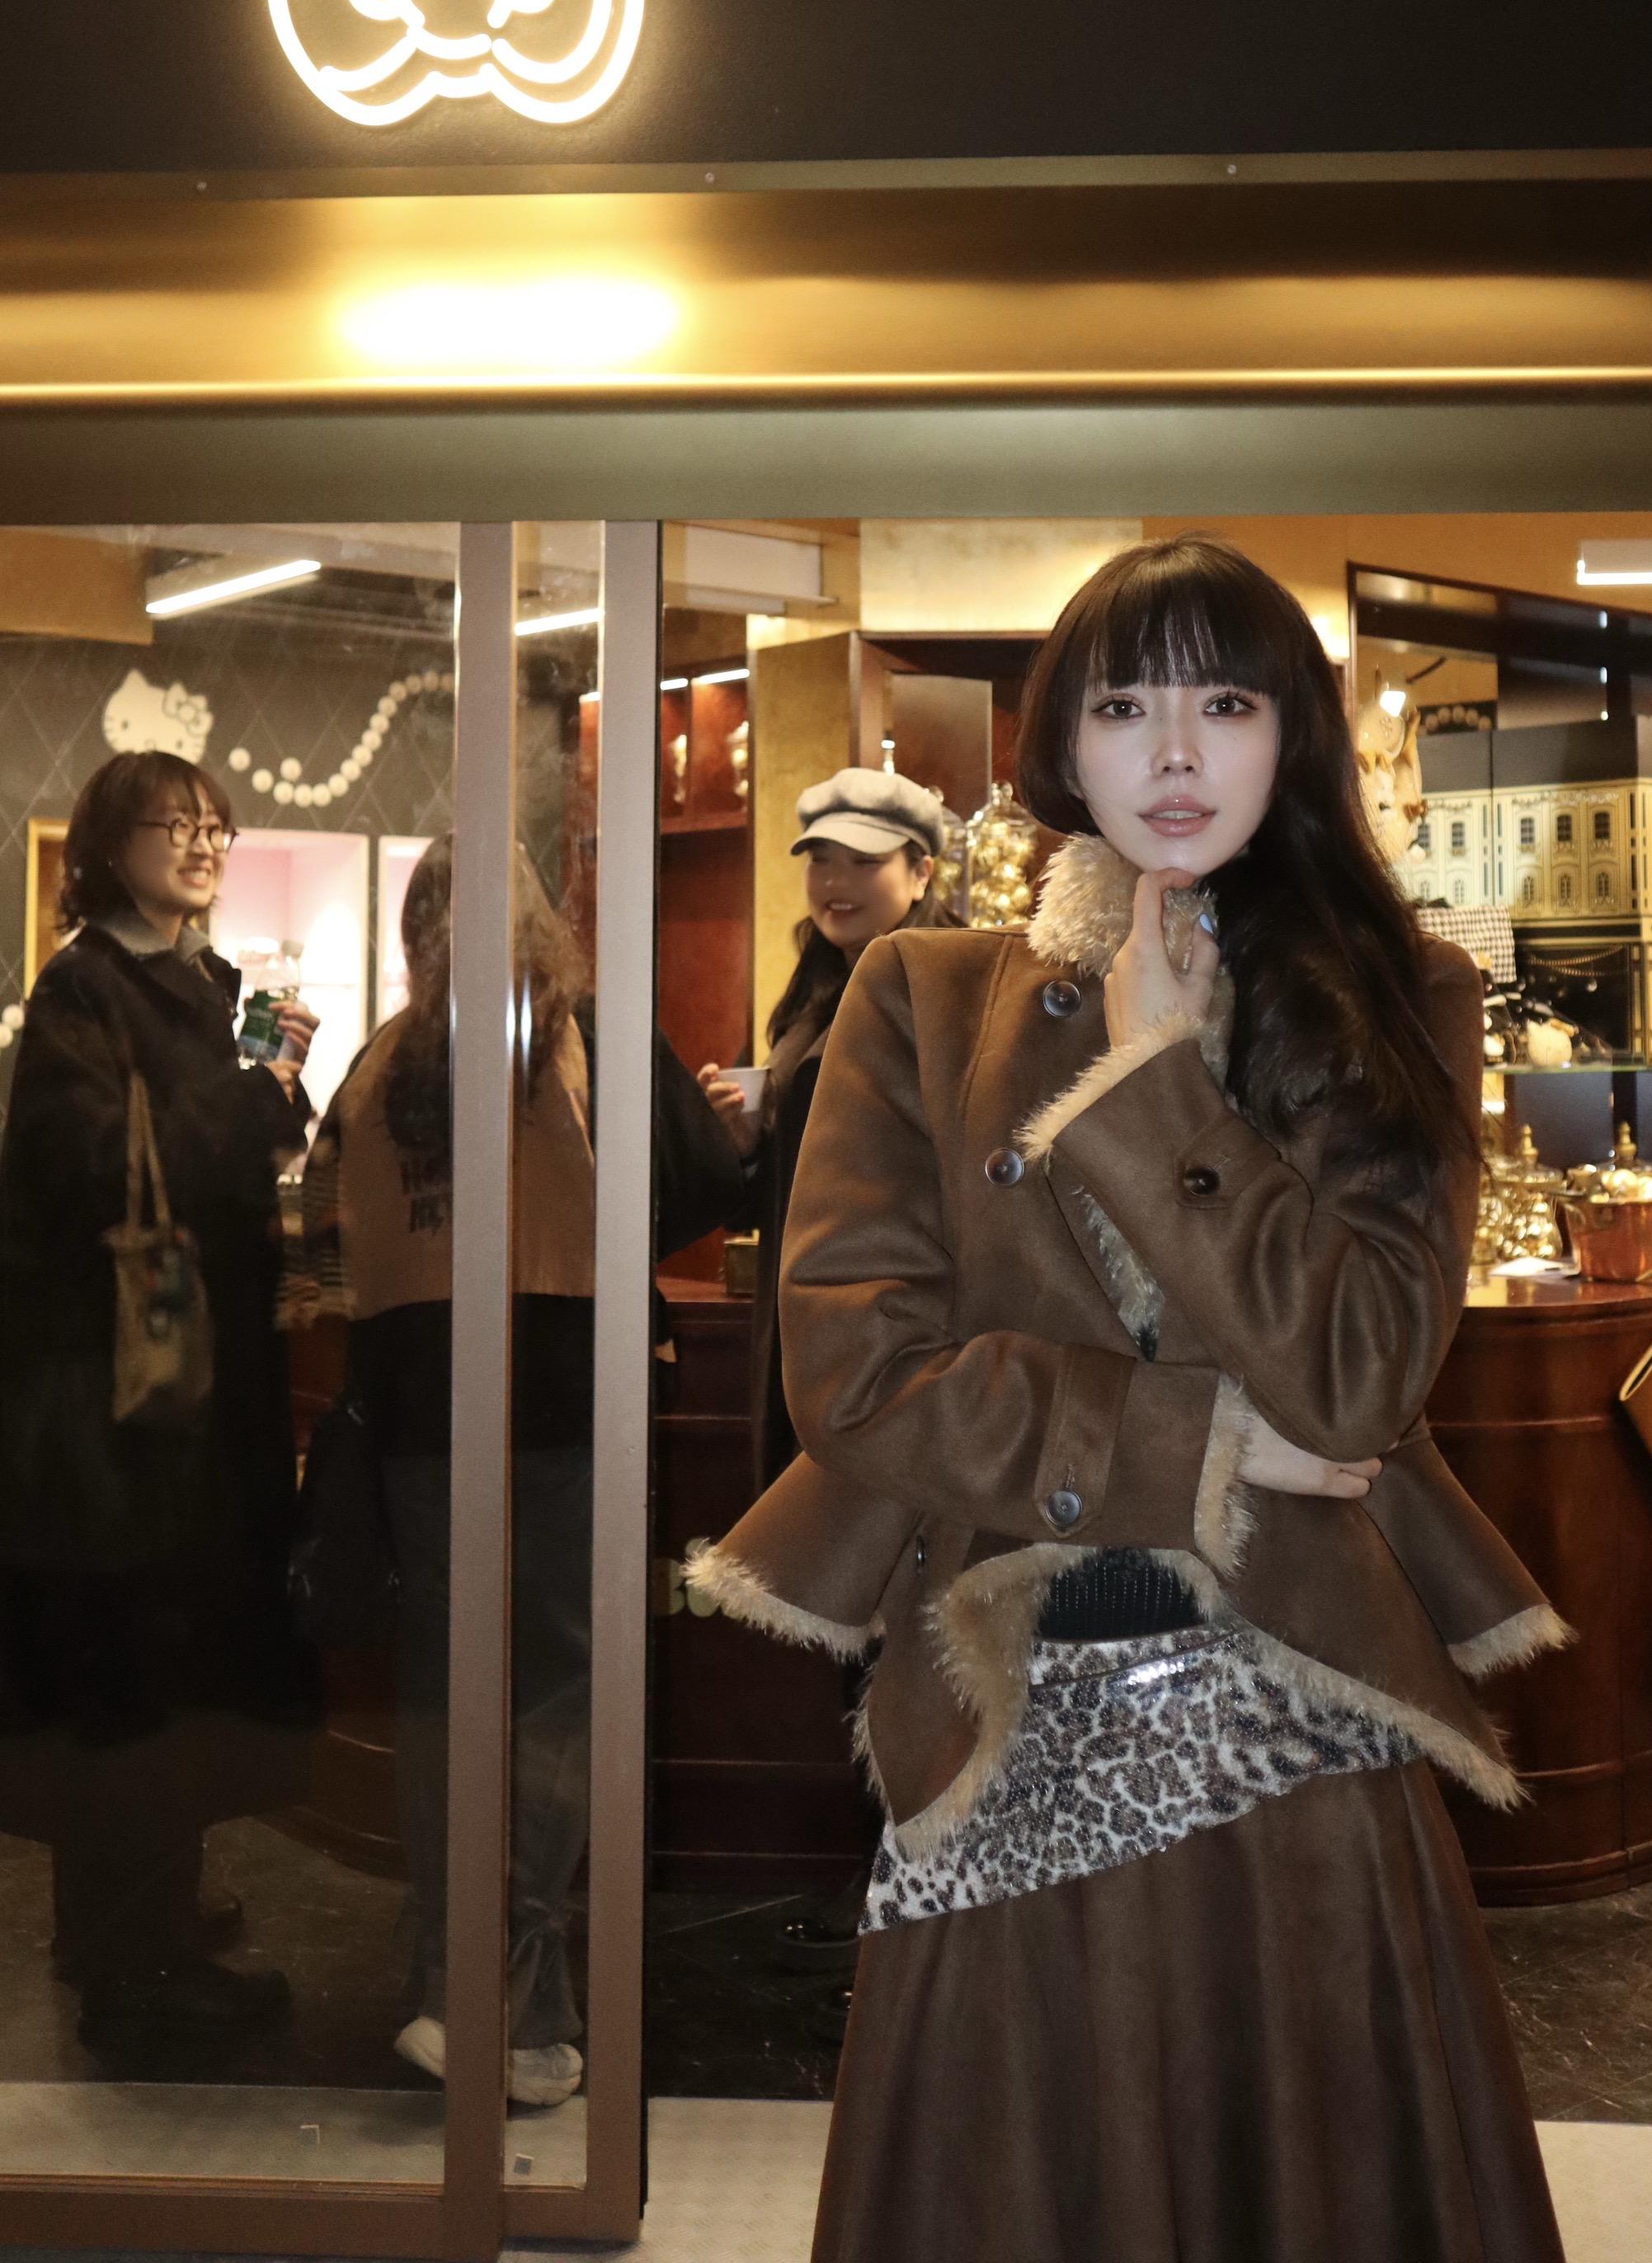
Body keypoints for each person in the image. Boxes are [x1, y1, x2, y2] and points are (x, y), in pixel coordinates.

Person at [688, 537, 1570, 2262]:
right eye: (1124, 705)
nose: (1174, 751)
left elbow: (1363, 1376)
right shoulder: (923, 997)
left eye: (1225, 702)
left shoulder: (1398, 996)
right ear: (1061, 747)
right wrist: (1211, 1440)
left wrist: (1160, 1082)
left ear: (1290, 733)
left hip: (1300, 1722)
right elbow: (857, 1373)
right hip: (1012, 1724)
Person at [300, 836, 741, 2109]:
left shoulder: (384, 1063)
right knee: (555, 1689)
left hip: (419, 1412)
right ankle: (518, 2002)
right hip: (565, 1394)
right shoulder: (586, 1036)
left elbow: (326, 1227)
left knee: (446, 1688)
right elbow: (702, 1184)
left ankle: (451, 1984)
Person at [0, 750, 318, 2042]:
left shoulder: (210, 980)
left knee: (166, 1657)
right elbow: (86, 1171)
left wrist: (277, 1085)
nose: (200, 845)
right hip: (121, 1405)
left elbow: (245, 1150)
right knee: (136, 1660)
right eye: (171, 824)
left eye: (214, 827)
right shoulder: (81, 987)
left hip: (191, 1393)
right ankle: (136, 1972)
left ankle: (136, 1921)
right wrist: (249, 1098)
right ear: (106, 845)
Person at [699, 767, 953, 1495]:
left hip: (894, 1314)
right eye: (821, 860)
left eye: (865, 861)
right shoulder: (813, 992)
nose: (836, 882)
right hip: (801, 1306)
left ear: (921, 872)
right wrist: (744, 1144)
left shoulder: (946, 984)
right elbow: (790, 1180)